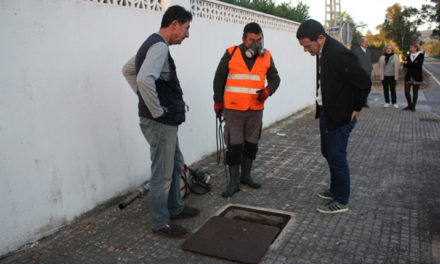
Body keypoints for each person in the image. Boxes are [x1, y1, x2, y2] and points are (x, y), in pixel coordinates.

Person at [121, 5, 199, 239]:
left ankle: (175, 208)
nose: (187, 34)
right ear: (174, 24)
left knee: (175, 165)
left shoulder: (151, 43)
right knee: (162, 175)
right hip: (160, 124)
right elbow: (144, 78)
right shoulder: (159, 47)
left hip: (163, 123)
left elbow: (128, 70)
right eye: (186, 28)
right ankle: (160, 222)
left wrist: (146, 100)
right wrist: (156, 111)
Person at [296, 19, 370, 214]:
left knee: (337, 157)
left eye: (307, 46)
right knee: (328, 152)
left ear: (320, 38)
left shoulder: (338, 53)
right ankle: (335, 189)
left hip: (339, 116)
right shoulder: (323, 51)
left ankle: (341, 200)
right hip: (325, 112)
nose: (306, 51)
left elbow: (363, 81)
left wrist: (357, 107)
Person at [213, 22, 280, 198]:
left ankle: (246, 176)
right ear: (243, 39)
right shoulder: (231, 53)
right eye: (252, 40)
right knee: (235, 146)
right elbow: (219, 78)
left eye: (259, 40)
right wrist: (218, 101)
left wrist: (268, 91)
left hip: (255, 109)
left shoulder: (266, 56)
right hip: (234, 109)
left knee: (251, 144)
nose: (256, 44)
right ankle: (234, 182)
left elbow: (275, 78)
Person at [403, 43, 424, 111]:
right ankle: (409, 104)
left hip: (417, 76)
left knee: (415, 92)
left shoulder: (421, 55)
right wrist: (410, 63)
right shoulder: (409, 55)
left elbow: (419, 65)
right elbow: (405, 65)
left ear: (416, 48)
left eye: (412, 47)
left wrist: (409, 63)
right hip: (408, 76)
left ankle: (413, 106)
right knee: (406, 91)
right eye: (410, 47)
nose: (411, 49)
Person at [353, 37, 373, 108]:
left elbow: (369, 61)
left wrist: (371, 68)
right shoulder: (357, 52)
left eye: (367, 42)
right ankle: (359, 102)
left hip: (368, 74)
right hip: (361, 74)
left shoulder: (368, 51)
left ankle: (364, 102)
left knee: (367, 88)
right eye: (365, 42)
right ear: (361, 43)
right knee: (360, 89)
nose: (367, 43)